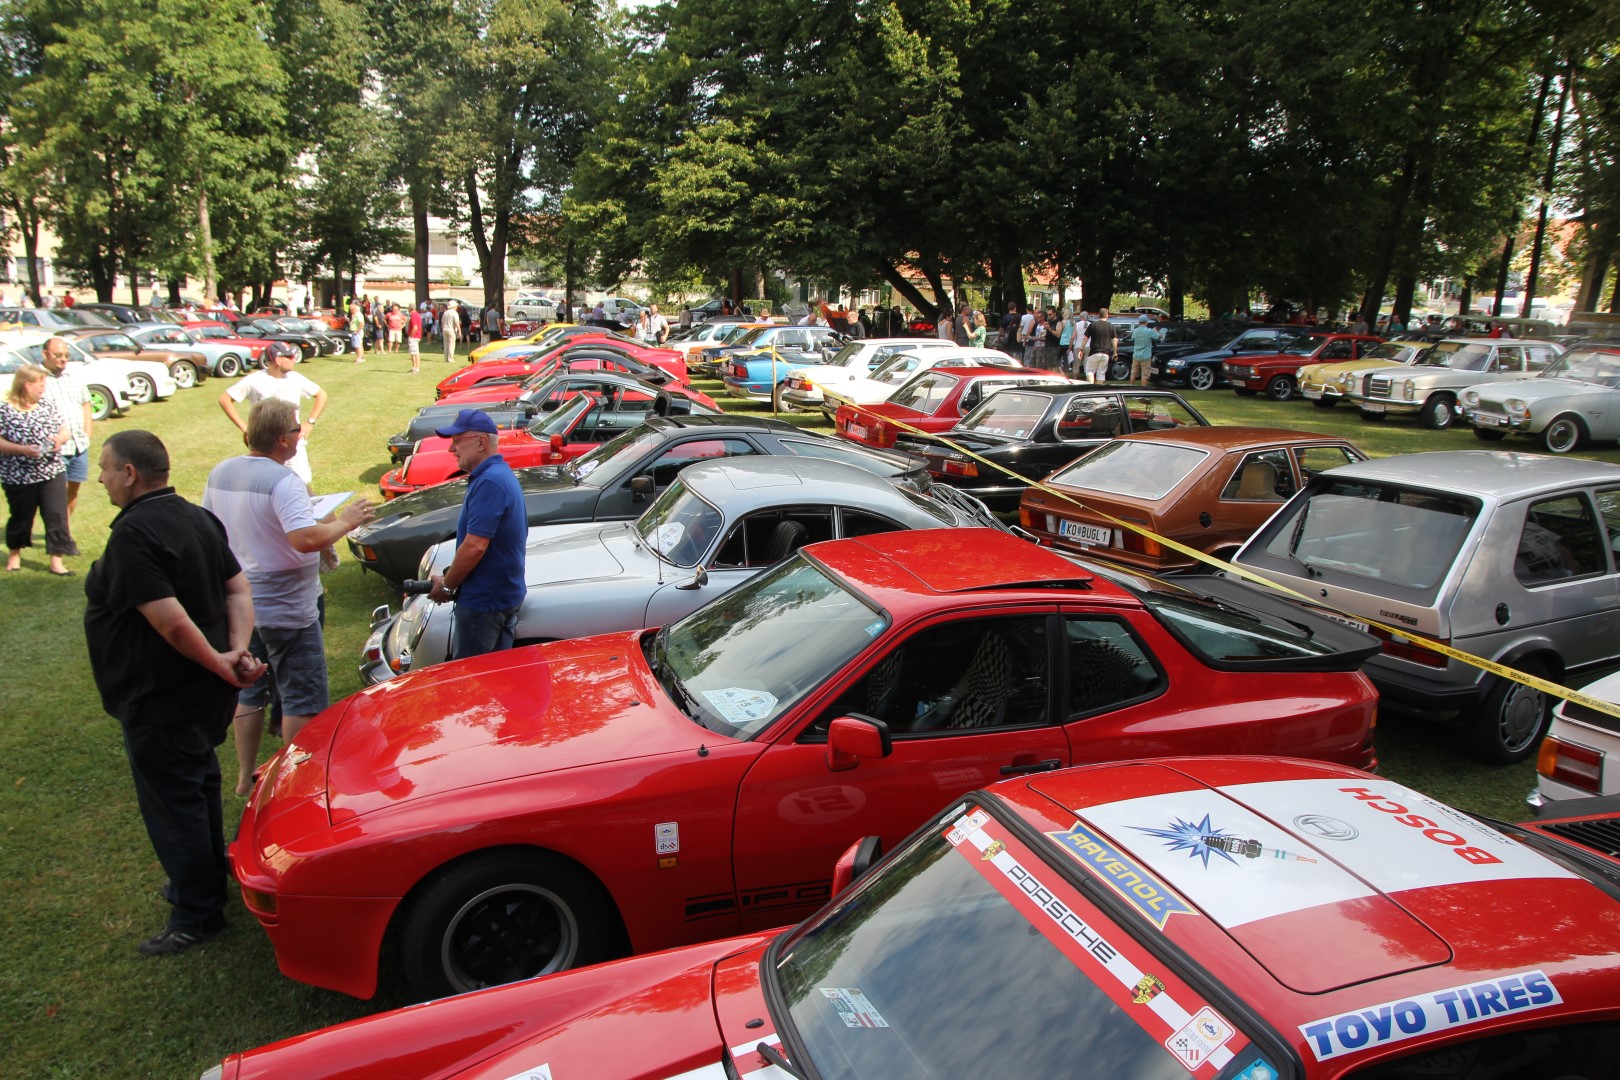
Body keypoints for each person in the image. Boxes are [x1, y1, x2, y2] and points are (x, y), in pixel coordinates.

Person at [84, 429, 265, 955]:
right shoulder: (196, 518)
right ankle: (204, 882)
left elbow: (170, 622)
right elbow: (237, 587)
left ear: (130, 473)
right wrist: (235, 651)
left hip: (161, 697)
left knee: (174, 801)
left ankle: (196, 915)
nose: (100, 478)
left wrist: (223, 661)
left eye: (104, 468)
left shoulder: (134, 537)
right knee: (199, 784)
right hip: (202, 693)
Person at [203, 399, 374, 795]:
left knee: (249, 688)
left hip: (243, 605)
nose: (301, 435)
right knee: (301, 696)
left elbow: (212, 531)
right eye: (297, 430)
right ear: (283, 440)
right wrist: (346, 521)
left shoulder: (222, 472)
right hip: (289, 609)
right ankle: (295, 785)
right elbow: (304, 539)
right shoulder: (284, 481)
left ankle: (245, 778)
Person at [427, 409, 526, 660]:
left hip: (485, 603)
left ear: (481, 442)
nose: (452, 449)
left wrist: (447, 587)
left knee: (473, 683)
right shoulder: (497, 475)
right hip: (497, 596)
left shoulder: (490, 481)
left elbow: (475, 546)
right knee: (496, 680)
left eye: (457, 440)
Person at [219, 342, 326, 485]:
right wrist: (245, 428)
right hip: (265, 442)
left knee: (301, 481)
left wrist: (310, 422)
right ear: (278, 360)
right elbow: (225, 399)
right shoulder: (254, 380)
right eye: (290, 356)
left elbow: (321, 395)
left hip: (292, 438)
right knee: (266, 482)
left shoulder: (295, 378)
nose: (294, 359)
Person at [0, 364, 73, 575]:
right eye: (40, 383)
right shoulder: (5, 410)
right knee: (21, 516)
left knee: (56, 514)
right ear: (27, 384)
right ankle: (14, 555)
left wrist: (59, 439)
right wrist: (22, 450)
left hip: (51, 471)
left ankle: (57, 560)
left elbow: (64, 428)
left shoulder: (47, 405)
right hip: (19, 476)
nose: (43, 388)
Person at [39, 335, 93, 529]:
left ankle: (64, 530)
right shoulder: (38, 379)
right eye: (58, 355)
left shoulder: (74, 378)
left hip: (79, 445)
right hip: (56, 448)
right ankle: (59, 533)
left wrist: (87, 432)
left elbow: (86, 404)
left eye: (66, 355)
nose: (63, 359)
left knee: (73, 491)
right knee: (57, 494)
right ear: (45, 354)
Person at [1129, 317, 1164, 385]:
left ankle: (1130, 387)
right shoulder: (1149, 331)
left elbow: (1132, 339)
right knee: (1145, 375)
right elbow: (1159, 337)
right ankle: (1143, 391)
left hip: (1136, 355)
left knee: (1133, 373)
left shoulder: (1135, 331)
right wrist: (1155, 331)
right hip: (1146, 356)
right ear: (1146, 322)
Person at [1086, 308, 1117, 384]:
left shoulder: (1093, 325)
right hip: (1106, 353)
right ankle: (1098, 391)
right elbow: (1114, 340)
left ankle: (1090, 388)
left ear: (1098, 315)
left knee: (1090, 371)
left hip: (1094, 352)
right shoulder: (1111, 326)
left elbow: (1085, 338)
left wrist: (1081, 349)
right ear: (1107, 315)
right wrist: (1115, 353)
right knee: (1101, 374)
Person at [406, 305, 423, 374]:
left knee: (414, 352)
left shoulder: (413, 315)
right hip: (417, 335)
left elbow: (415, 327)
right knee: (413, 352)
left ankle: (416, 367)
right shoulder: (418, 315)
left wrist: (411, 335)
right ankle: (414, 367)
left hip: (414, 336)